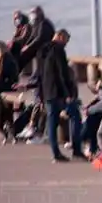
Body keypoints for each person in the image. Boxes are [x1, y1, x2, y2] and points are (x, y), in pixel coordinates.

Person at [40, 29, 76, 162]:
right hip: (57, 91)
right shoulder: (59, 50)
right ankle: (76, 149)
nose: (66, 43)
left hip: (47, 90)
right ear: (60, 36)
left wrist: (40, 93)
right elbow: (62, 73)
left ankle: (55, 152)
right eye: (66, 40)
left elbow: (40, 73)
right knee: (74, 115)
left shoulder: (43, 50)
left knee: (52, 122)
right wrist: (68, 93)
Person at [18, 6, 54, 74]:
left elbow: (40, 38)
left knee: (37, 53)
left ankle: (38, 75)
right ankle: (16, 72)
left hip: (45, 47)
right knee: (22, 54)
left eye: (33, 12)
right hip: (37, 46)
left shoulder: (44, 23)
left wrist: (28, 47)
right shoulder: (36, 23)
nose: (31, 14)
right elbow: (32, 37)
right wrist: (25, 45)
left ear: (39, 13)